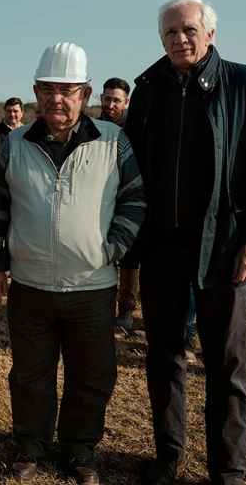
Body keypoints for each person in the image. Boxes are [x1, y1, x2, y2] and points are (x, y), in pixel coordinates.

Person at [122, 0, 246, 485]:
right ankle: (167, 456)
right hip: (163, 246)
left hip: (226, 245)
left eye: (189, 30)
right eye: (170, 33)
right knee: (163, 354)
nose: (179, 39)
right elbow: (133, 171)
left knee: (227, 362)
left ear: (210, 33)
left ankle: (228, 468)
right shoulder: (148, 88)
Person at [0, 43, 145, 484]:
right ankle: (30, 445)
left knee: (92, 375)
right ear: (36, 91)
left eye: (68, 90)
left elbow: (134, 200)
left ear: (86, 92)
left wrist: (111, 248)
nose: (58, 98)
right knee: (30, 374)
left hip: (92, 285)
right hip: (30, 285)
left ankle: (79, 450)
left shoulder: (113, 141)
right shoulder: (15, 143)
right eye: (49, 89)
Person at [98, 77, 138, 328]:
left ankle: (126, 307)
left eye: (116, 100)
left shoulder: (134, 126)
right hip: (99, 196)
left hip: (127, 195)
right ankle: (101, 304)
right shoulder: (90, 124)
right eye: (107, 98)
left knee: (129, 257)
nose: (110, 104)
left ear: (125, 102)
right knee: (101, 251)